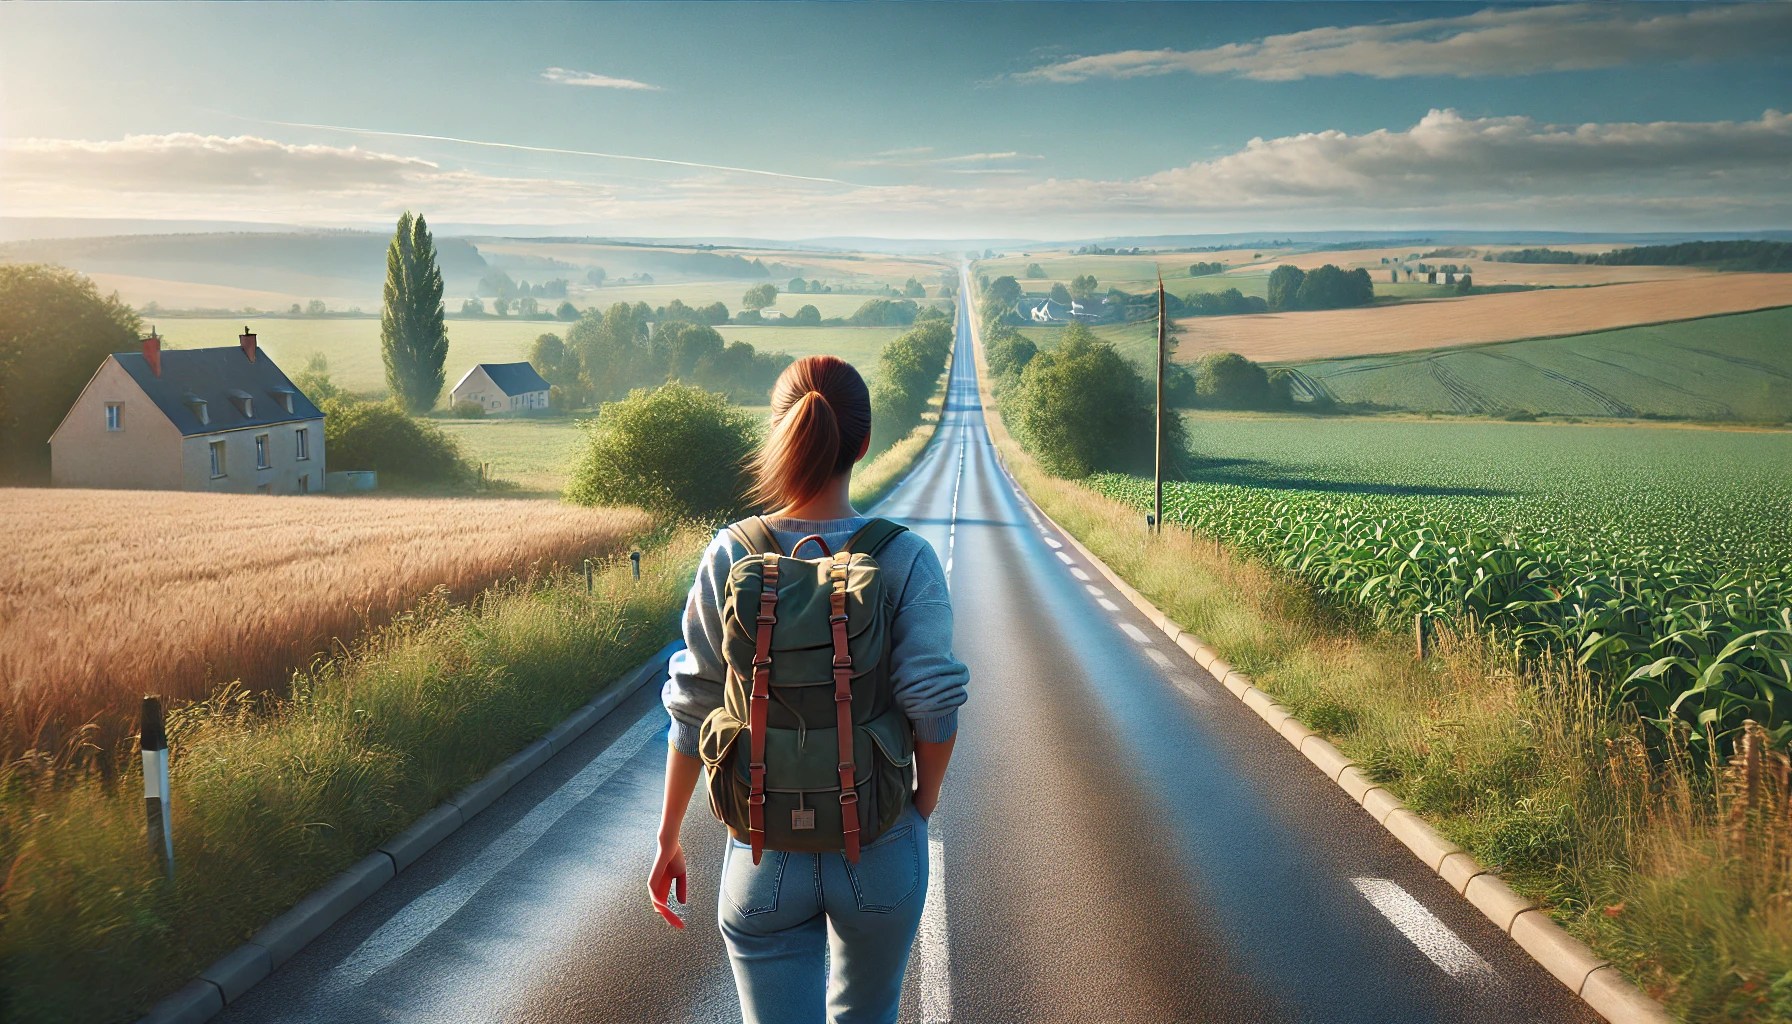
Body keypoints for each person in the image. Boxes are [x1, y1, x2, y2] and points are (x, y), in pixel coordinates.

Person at [650, 354, 969, 1024]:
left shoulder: (730, 554)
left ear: (781, 433)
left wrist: (669, 837)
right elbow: (932, 702)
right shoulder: (906, 557)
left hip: (764, 847)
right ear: (864, 442)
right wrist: (919, 806)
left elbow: (693, 704)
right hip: (878, 841)